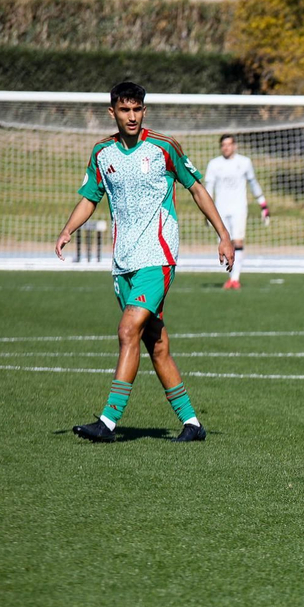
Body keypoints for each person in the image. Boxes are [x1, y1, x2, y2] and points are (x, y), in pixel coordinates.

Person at [55, 80, 235, 443]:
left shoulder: (165, 147)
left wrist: (224, 235)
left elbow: (197, 188)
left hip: (159, 255)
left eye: (138, 109)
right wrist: (68, 229)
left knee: (127, 331)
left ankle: (107, 423)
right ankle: (192, 424)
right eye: (125, 110)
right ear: (113, 112)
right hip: (123, 262)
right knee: (156, 343)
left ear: (144, 111)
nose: (132, 116)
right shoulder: (102, 153)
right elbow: (91, 197)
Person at [203, 133, 268, 290]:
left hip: (239, 208)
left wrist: (263, 203)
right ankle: (231, 276)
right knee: (224, 243)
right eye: (223, 145)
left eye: (229, 144)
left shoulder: (244, 162)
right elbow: (208, 189)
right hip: (220, 210)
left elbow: (253, 182)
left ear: (235, 146)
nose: (226, 147)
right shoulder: (214, 164)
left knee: (238, 241)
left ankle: (235, 278)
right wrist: (206, 212)